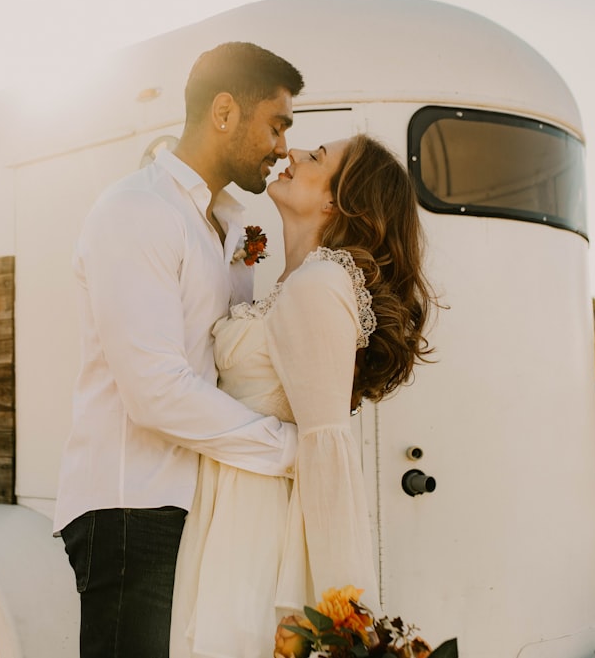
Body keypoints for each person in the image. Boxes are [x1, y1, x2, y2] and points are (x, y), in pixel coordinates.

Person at [52, 42, 305, 658]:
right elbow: (156, 392)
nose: (282, 147)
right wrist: (293, 450)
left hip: (195, 502)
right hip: (132, 508)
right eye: (277, 125)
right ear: (224, 112)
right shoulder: (137, 211)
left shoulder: (228, 225)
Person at [169, 134, 435, 658]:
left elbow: (327, 444)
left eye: (317, 158)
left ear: (338, 199)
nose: (292, 153)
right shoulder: (292, 281)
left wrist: (346, 616)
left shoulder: (319, 284)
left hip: (257, 526)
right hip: (229, 509)